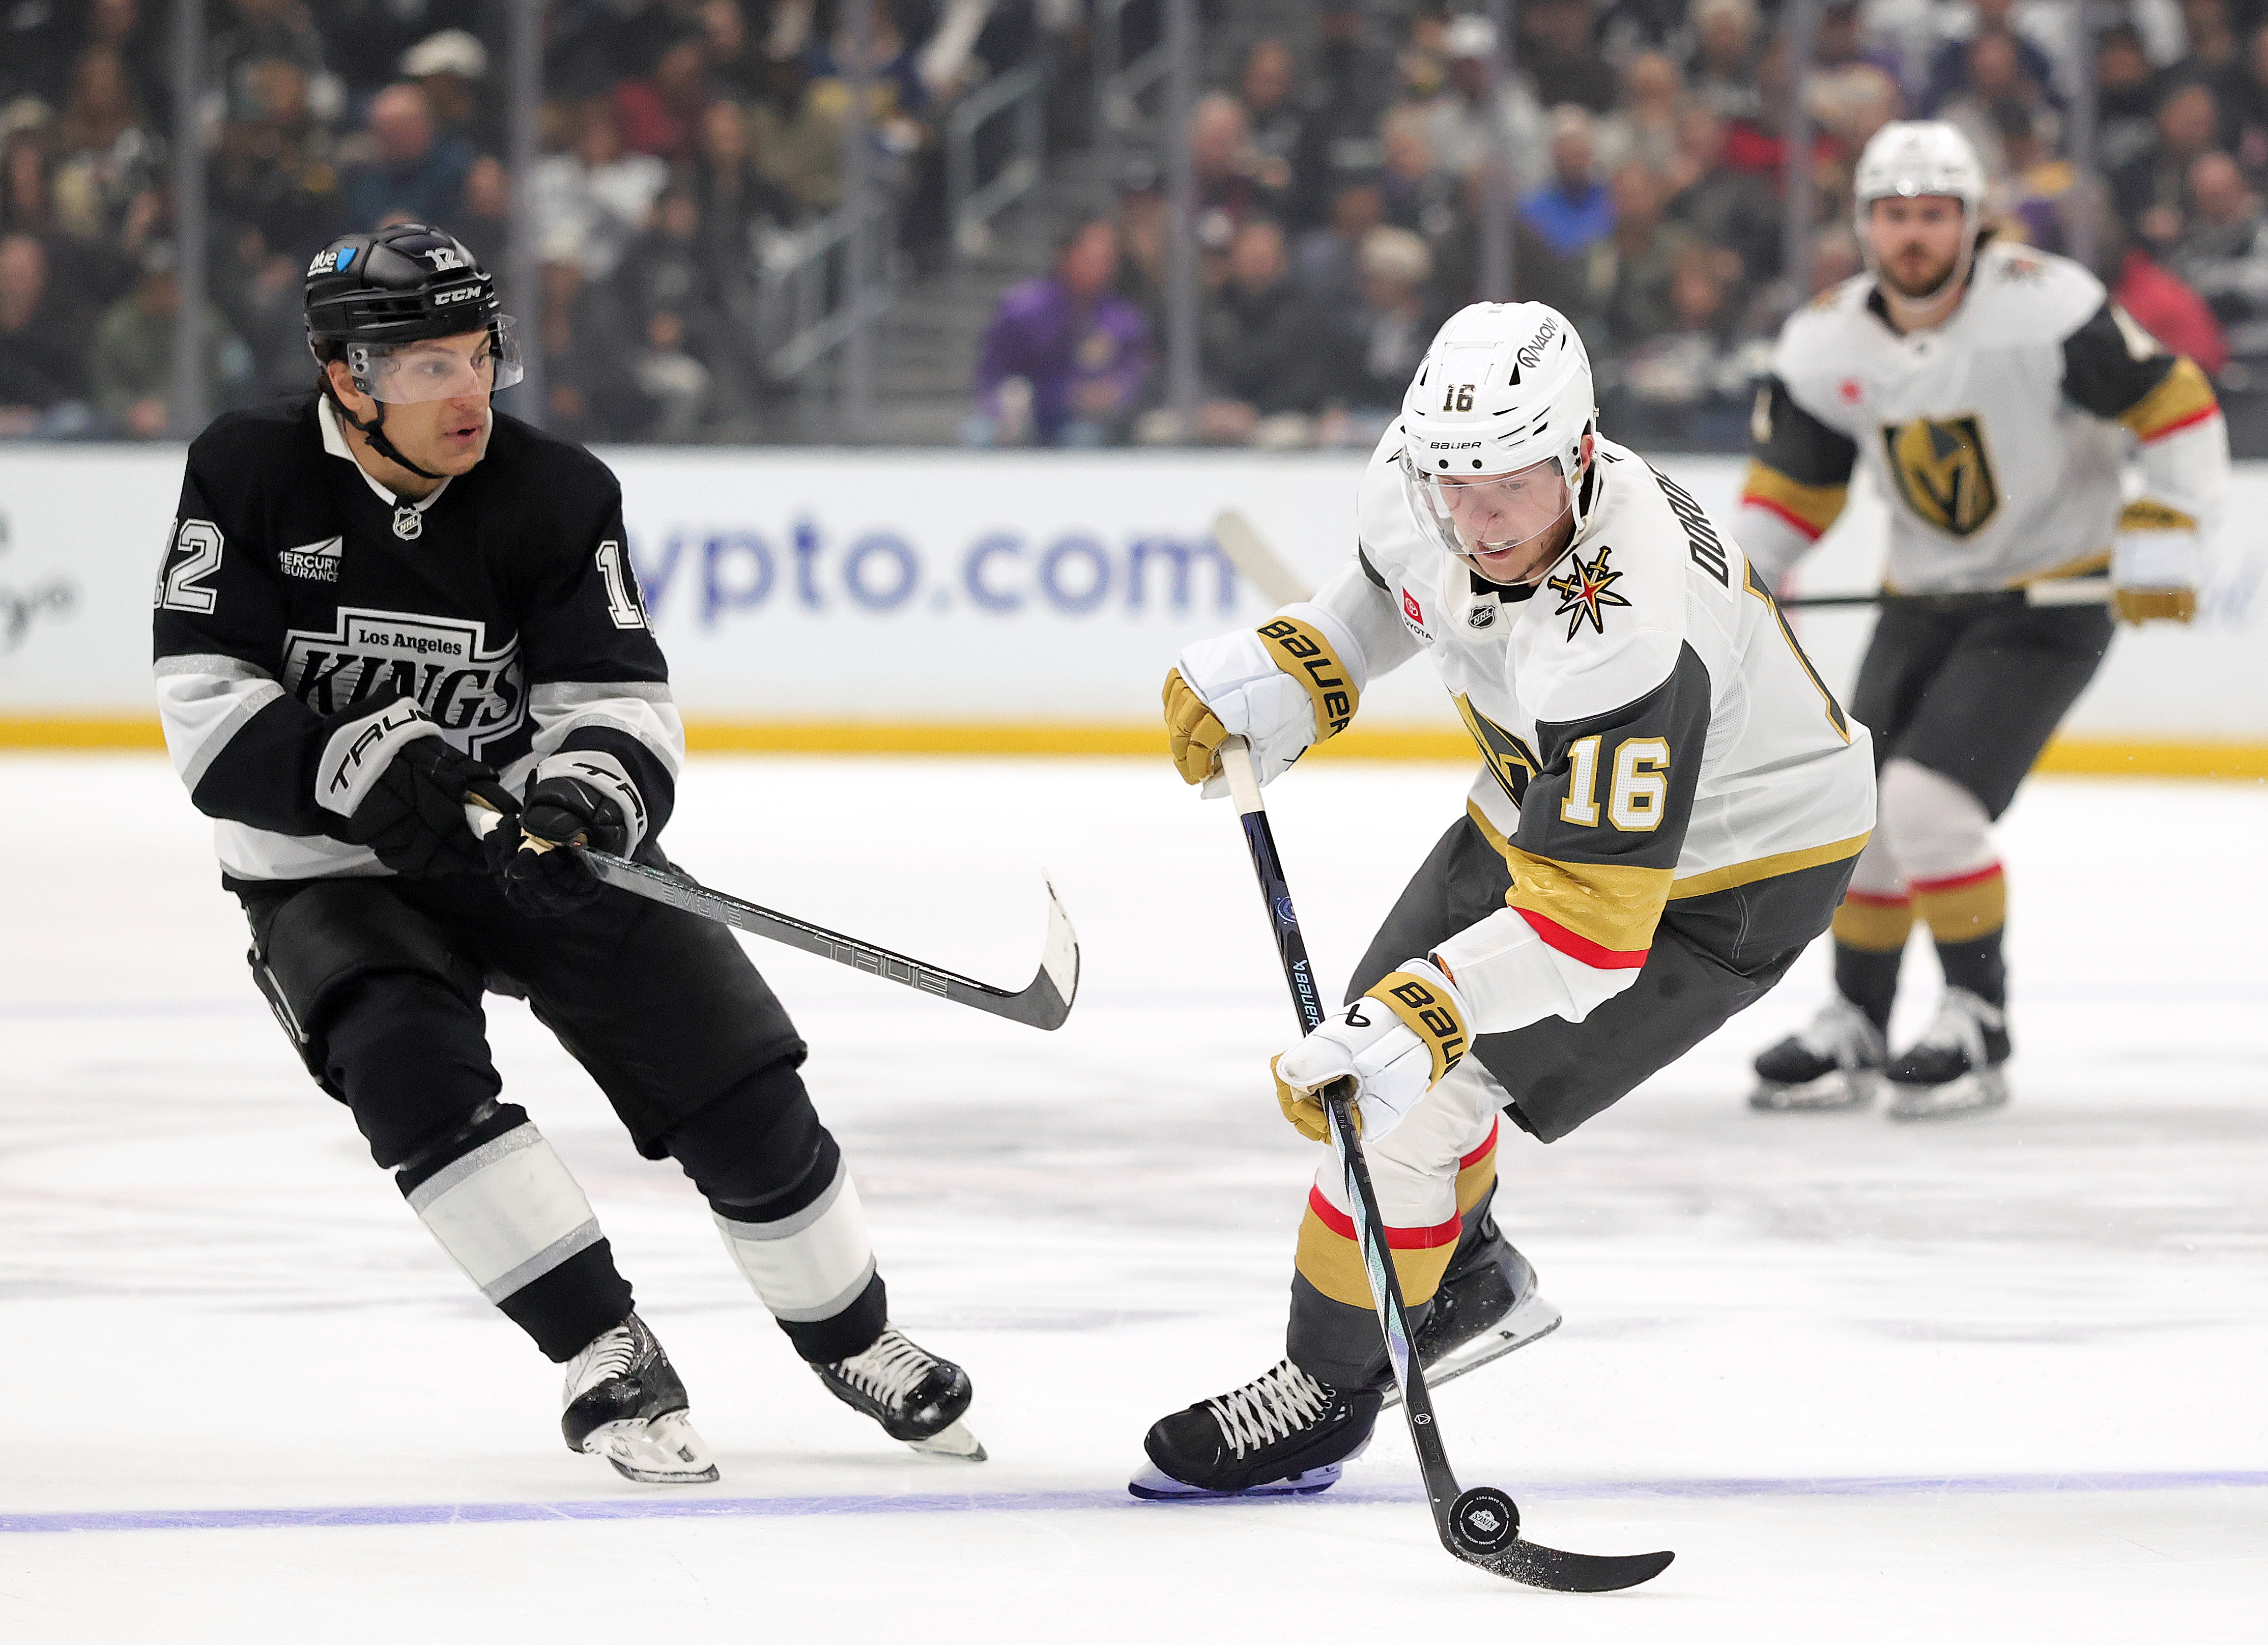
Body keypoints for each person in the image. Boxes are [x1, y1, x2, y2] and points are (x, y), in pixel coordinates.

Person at [151, 222, 982, 1483]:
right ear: (347, 378)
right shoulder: (247, 469)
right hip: (329, 867)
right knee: (405, 1065)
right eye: (429, 366)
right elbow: (209, 710)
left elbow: (619, 701)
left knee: (732, 1068)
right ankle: (604, 1348)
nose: (470, 392)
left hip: (521, 846)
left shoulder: (557, 491)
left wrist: (582, 805)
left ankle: (852, 1335)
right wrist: (379, 771)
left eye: (481, 355)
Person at [1136, 299, 1875, 1499]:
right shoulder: (1422, 477)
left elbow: (1590, 927)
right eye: (1456, 489)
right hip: (1548, 788)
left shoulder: (1623, 619)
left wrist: (1434, 1015)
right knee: (1379, 1053)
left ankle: (1326, 1390)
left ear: (1580, 456)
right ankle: (1463, 1274)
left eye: (1510, 492)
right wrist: (1311, 659)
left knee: (1410, 1084)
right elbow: (1397, 589)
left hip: (1733, 867)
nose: (1477, 523)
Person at [1738, 122, 2228, 1121]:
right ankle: (1858, 1019)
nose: (1913, 234)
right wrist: (1742, 580)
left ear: (1974, 222)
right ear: (1862, 224)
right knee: (1859, 809)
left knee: (1927, 805)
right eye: (1894, 214)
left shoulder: (2048, 308)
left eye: (1934, 213)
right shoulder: (1825, 341)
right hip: (1921, 598)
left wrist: (2173, 529)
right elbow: (1793, 489)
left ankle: (1977, 1020)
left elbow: (2173, 404)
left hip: (2051, 599)